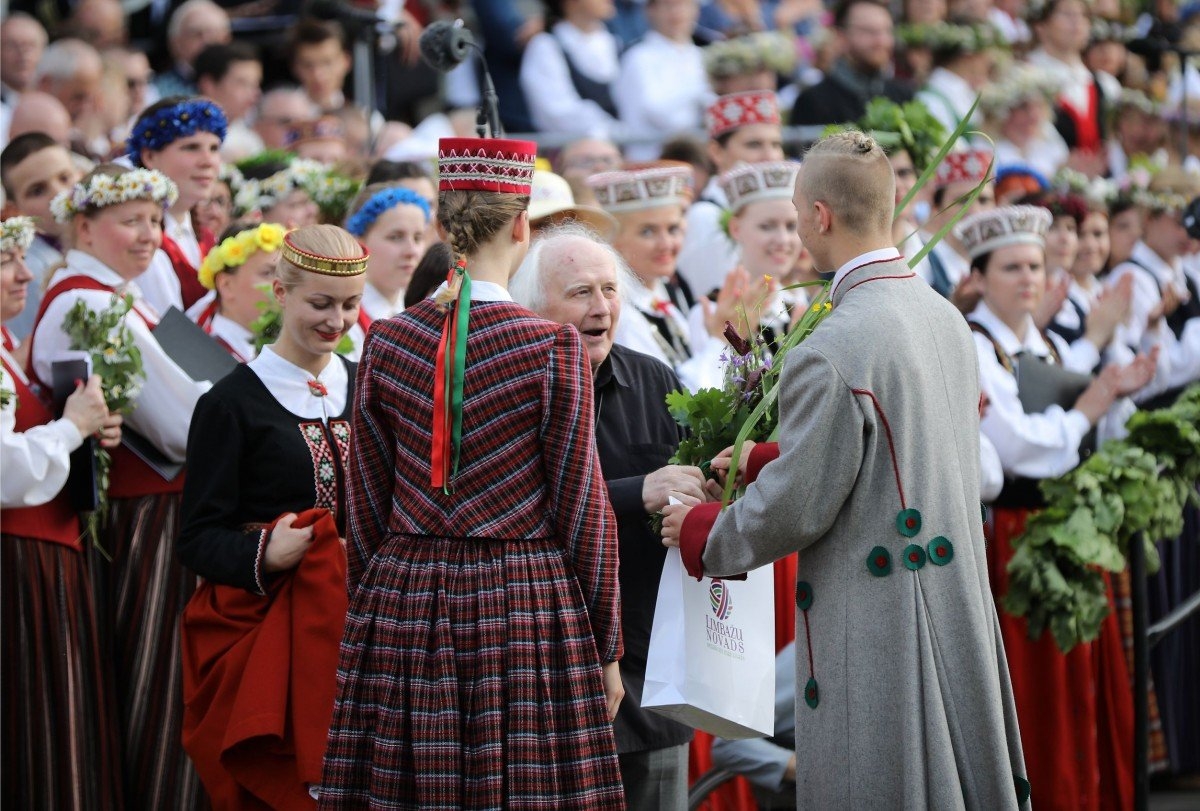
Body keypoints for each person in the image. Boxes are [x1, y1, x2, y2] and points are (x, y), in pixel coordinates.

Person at [661, 131, 1029, 808]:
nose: (799, 229)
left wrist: (702, 530)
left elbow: (799, 505)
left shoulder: (835, 340)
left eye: (798, 214)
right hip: (954, 600)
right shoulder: (945, 315)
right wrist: (765, 456)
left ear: (820, 215)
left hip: (882, 617)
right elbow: (904, 448)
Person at [320, 137, 625, 807]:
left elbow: (364, 503)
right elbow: (583, 508)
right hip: (522, 599)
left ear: (442, 224)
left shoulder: (386, 339)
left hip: (405, 593)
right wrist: (606, 644)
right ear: (520, 226)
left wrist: (373, 610)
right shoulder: (552, 346)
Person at [958, 204, 1159, 809]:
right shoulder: (974, 345)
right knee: (1037, 680)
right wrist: (1086, 411)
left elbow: (1069, 399)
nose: (1028, 278)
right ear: (979, 277)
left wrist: (1109, 390)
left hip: (1062, 527)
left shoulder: (1040, 342)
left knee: (1076, 674)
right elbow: (1017, 445)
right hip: (1016, 531)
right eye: (1012, 267)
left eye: (1035, 266)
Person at [29, 163, 212, 808]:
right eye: (130, 221)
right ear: (84, 227)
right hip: (144, 519)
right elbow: (181, 427)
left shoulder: (121, 297)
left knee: (167, 682)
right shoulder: (89, 302)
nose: (148, 236)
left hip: (157, 510)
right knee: (158, 683)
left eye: (155, 221)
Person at [510, 224, 702, 811]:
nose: (601, 308)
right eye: (581, 293)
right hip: (549, 668)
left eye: (610, 290)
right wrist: (636, 491)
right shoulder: (511, 386)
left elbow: (691, 484)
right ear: (533, 307)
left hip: (650, 670)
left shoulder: (653, 379)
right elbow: (519, 506)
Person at [178, 224, 366, 805]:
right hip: (268, 629)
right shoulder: (230, 403)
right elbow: (196, 536)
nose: (337, 320)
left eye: (350, 305)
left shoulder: (366, 386)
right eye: (321, 303)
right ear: (281, 293)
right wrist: (265, 553)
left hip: (364, 622)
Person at [1, 215, 124, 810]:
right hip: (18, 561)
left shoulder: (7, 348)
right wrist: (71, 428)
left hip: (44, 554)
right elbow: (5, 469)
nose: (24, 274)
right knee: (34, 728)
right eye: (6, 262)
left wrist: (87, 427)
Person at [676, 89, 785, 298]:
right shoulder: (705, 217)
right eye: (754, 145)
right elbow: (719, 302)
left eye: (776, 145)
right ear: (716, 152)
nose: (770, 156)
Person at [128, 95, 227, 314]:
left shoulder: (206, 236)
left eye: (214, 148)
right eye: (191, 147)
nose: (208, 161)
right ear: (150, 157)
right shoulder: (142, 244)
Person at [0, 133, 83, 342]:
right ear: (14, 209)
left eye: (65, 178)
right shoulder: (28, 272)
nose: (59, 194)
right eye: (37, 191)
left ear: (80, 175)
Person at [341, 183, 431, 359]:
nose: (412, 251)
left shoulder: (423, 311)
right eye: (395, 237)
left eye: (418, 238)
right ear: (359, 243)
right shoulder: (344, 322)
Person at [790, 0, 914, 127]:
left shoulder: (904, 97)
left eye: (887, 31)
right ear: (841, 36)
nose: (881, 41)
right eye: (869, 31)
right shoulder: (813, 102)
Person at [613, 0, 710, 161]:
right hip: (649, 160)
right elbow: (657, 113)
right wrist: (700, 93)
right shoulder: (638, 58)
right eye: (668, 5)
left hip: (696, 159)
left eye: (685, 5)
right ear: (650, 10)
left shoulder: (701, 56)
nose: (677, 13)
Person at [519, 0, 622, 139]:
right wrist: (619, 132)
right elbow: (557, 113)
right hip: (575, 148)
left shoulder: (615, 43)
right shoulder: (546, 46)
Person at [191, 222, 286, 362]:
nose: (282, 286)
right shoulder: (206, 360)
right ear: (226, 285)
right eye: (267, 273)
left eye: (285, 274)